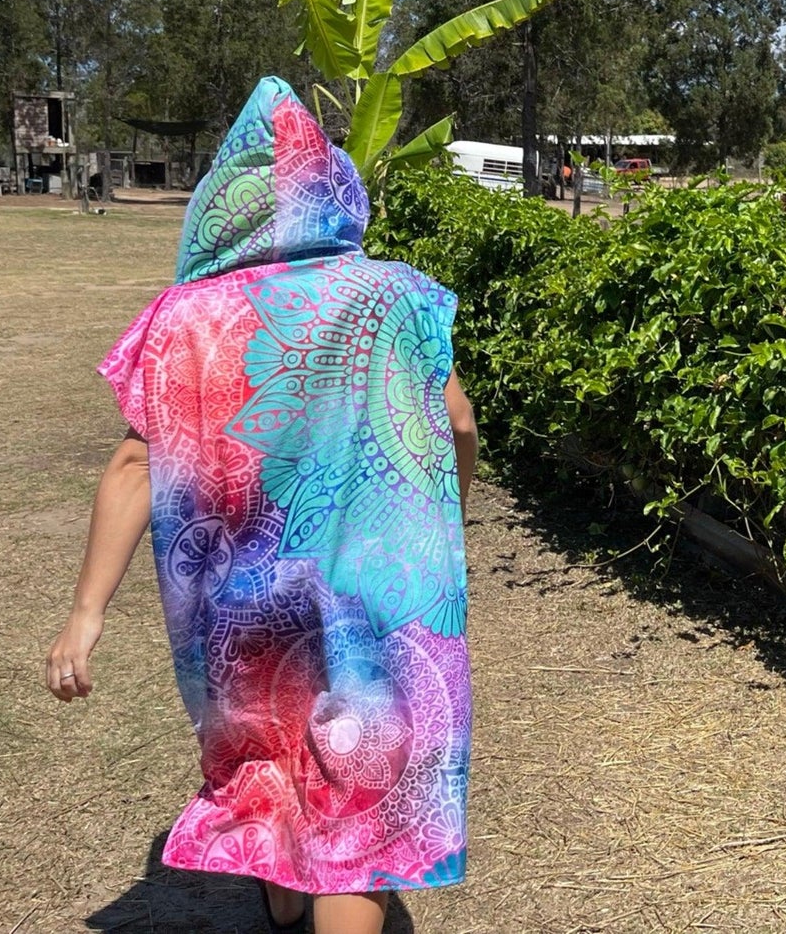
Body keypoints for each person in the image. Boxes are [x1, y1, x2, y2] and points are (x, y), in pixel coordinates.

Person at [45, 77, 477, 934]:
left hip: (241, 610)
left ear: (221, 204)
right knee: (356, 814)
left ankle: (285, 908)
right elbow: (456, 419)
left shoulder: (181, 318)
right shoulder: (395, 295)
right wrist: (443, 515)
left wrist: (84, 614)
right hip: (375, 591)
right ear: (333, 191)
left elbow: (136, 463)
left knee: (271, 772)